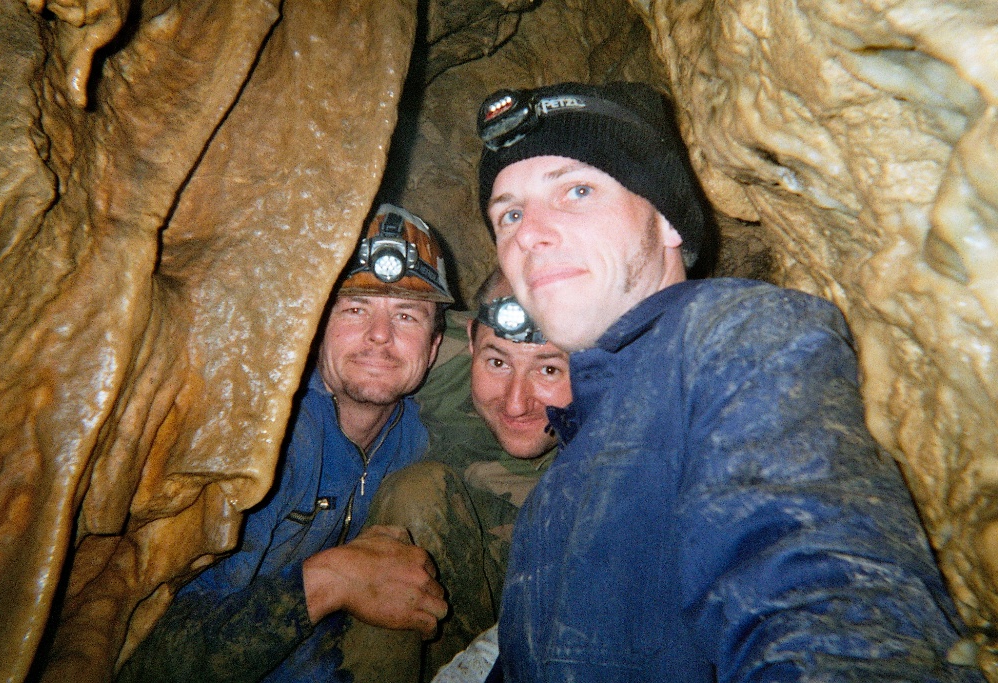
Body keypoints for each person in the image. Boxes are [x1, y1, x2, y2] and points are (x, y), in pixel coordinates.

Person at [475, 82, 985, 681]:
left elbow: (829, 609)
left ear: (667, 220)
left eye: (577, 191)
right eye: (509, 213)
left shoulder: (743, 338)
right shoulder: (564, 473)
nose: (528, 233)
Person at [117, 204, 454, 682]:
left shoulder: (417, 437)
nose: (380, 336)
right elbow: (155, 660)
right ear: (315, 327)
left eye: (406, 315)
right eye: (355, 309)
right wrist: (331, 580)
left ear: (434, 347)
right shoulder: (263, 441)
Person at [336, 267, 572, 683]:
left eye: (549, 369)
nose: (516, 404)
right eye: (497, 362)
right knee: (417, 492)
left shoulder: (637, 432)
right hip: (449, 597)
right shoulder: (438, 362)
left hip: (559, 621)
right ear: (471, 341)